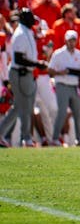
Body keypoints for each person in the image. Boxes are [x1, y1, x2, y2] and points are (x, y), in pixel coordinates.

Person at [0, 9, 47, 147]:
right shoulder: (20, 33)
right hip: (20, 72)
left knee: (22, 106)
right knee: (23, 106)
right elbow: (19, 59)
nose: (33, 19)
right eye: (30, 17)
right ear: (25, 19)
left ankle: (22, 137)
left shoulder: (27, 31)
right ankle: (24, 137)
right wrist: (37, 64)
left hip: (26, 73)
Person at [49, 30, 80, 146]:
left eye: (74, 40)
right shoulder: (58, 54)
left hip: (74, 85)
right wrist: (61, 73)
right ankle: (55, 138)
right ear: (66, 40)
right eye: (70, 40)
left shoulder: (78, 54)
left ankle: (79, 139)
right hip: (62, 85)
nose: (72, 43)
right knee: (62, 112)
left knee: (78, 112)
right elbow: (50, 70)